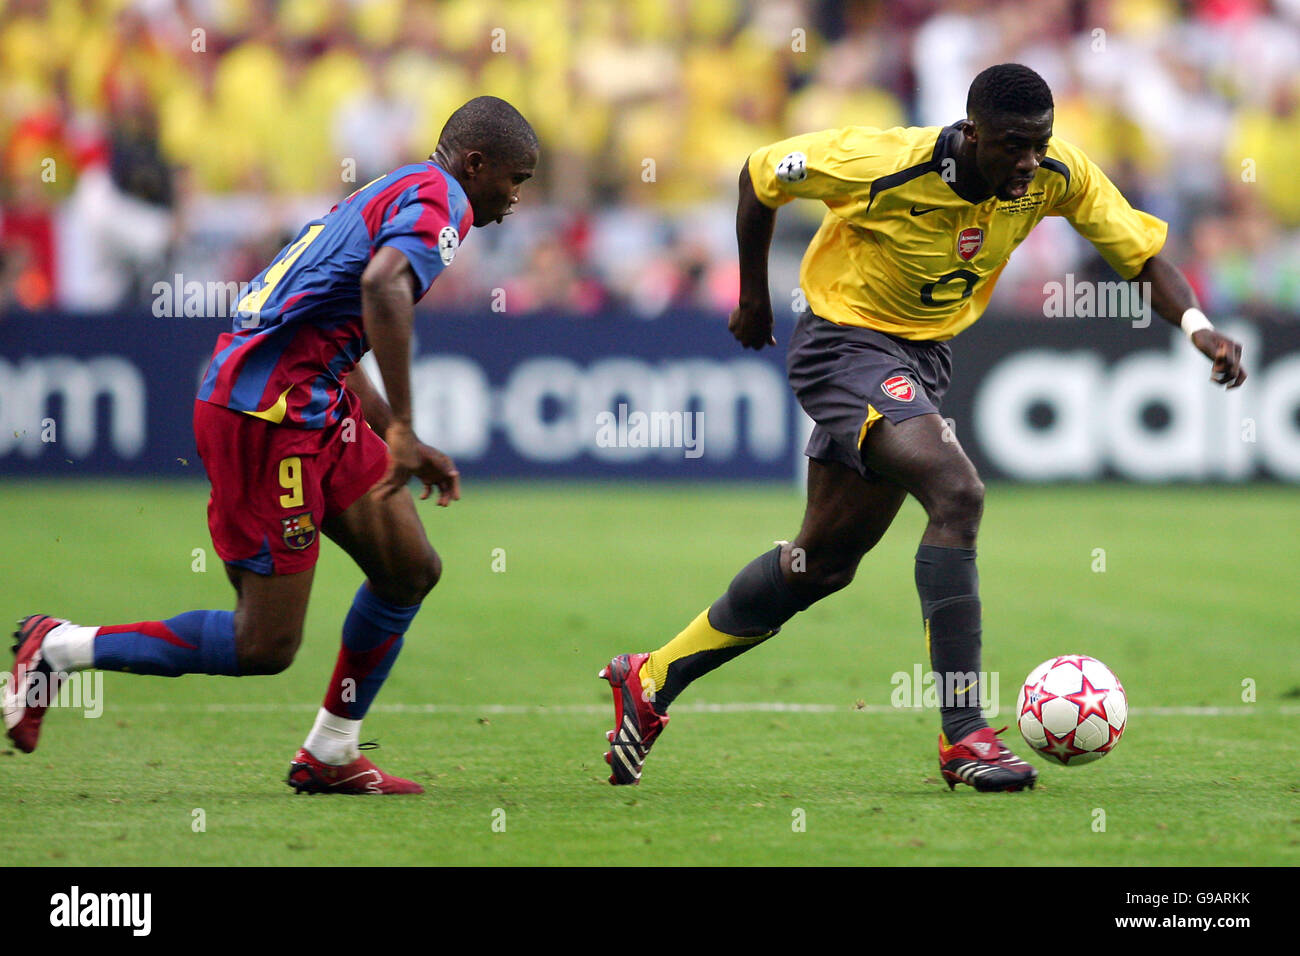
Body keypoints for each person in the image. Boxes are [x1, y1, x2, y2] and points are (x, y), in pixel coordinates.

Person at [599, 64, 1246, 792]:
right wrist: (754, 296)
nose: (1029, 162)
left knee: (822, 563)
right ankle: (964, 733)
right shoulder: (884, 161)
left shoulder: (1055, 173)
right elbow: (758, 175)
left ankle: (648, 678)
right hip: (844, 345)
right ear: (972, 133)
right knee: (957, 491)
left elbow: (1143, 254)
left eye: (1040, 144)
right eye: (1011, 146)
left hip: (922, 357)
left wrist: (1198, 326)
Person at [5, 96, 539, 795]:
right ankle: (57, 647)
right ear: (477, 164)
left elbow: (333, 330)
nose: (517, 197)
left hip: (311, 402)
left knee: (409, 566)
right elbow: (383, 289)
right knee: (264, 645)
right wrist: (403, 425)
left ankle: (331, 752)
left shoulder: (399, 187)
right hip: (262, 419)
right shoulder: (445, 203)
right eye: (516, 179)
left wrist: (392, 431)